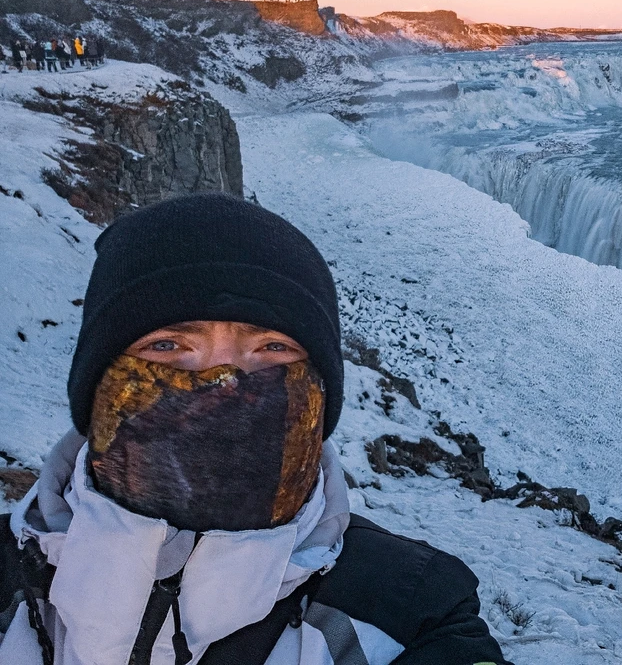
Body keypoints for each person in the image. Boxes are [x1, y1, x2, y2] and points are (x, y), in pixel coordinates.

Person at [0, 194, 511, 665]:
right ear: (96, 384)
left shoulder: (410, 611)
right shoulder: (9, 586)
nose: (222, 385)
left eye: (271, 349)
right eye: (167, 347)